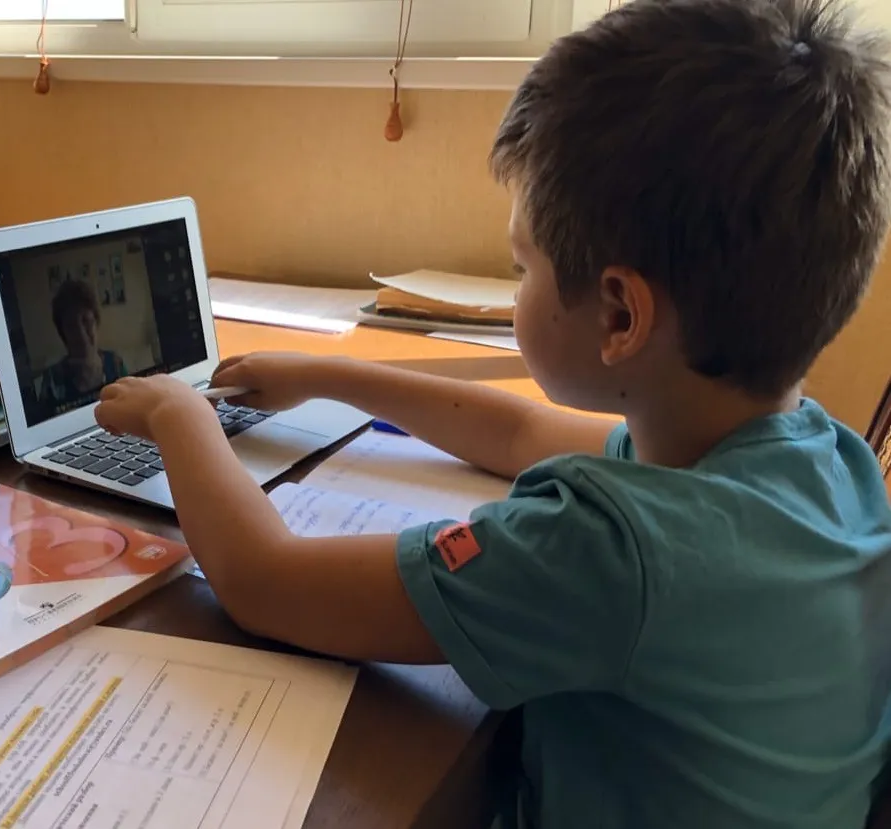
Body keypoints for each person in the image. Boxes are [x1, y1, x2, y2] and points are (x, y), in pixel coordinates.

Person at [94, 1, 891, 826]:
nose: (516, 288)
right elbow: (517, 431)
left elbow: (265, 582)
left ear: (620, 315)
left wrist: (178, 415)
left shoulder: (605, 554)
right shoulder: (825, 459)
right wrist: (327, 374)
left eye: (521, 267)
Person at [39, 278, 127, 410]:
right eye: (71, 326)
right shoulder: (51, 380)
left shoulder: (116, 364)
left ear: (96, 323)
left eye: (86, 321)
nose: (81, 334)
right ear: (62, 334)